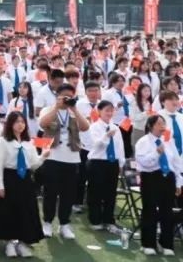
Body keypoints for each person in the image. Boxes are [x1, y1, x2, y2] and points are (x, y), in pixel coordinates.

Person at [0, 111, 51, 258]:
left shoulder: (28, 142)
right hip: (9, 178)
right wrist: (0, 185)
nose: (20, 125)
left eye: (22, 122)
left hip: (25, 180)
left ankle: (23, 243)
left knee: (27, 211)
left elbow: (33, 164)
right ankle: (9, 243)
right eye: (17, 122)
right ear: (10, 124)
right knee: (9, 211)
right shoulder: (2, 141)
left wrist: (43, 157)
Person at [37, 82, 89, 240]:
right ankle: (47, 222)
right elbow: (42, 124)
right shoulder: (48, 109)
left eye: (70, 97)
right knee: (50, 192)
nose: (67, 99)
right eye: (64, 96)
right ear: (57, 96)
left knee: (68, 194)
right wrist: (56, 107)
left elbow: (85, 127)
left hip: (71, 158)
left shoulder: (74, 112)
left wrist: (74, 109)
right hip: (52, 156)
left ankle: (64, 224)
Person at [134, 115, 183, 256]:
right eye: (159, 124)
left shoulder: (168, 140)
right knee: (149, 210)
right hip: (151, 177)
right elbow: (143, 163)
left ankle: (166, 244)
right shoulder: (143, 142)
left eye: (164, 123)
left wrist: (179, 182)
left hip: (168, 178)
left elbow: (176, 162)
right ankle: (148, 244)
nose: (163, 127)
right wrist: (157, 153)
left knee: (167, 211)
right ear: (151, 126)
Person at [86, 99, 125, 232]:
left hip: (112, 163)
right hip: (97, 162)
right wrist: (106, 136)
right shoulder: (94, 127)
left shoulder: (116, 127)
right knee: (95, 192)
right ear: (99, 111)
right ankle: (95, 220)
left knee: (110, 193)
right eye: (106, 110)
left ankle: (109, 220)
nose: (109, 113)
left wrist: (121, 163)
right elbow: (95, 145)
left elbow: (120, 147)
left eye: (111, 110)